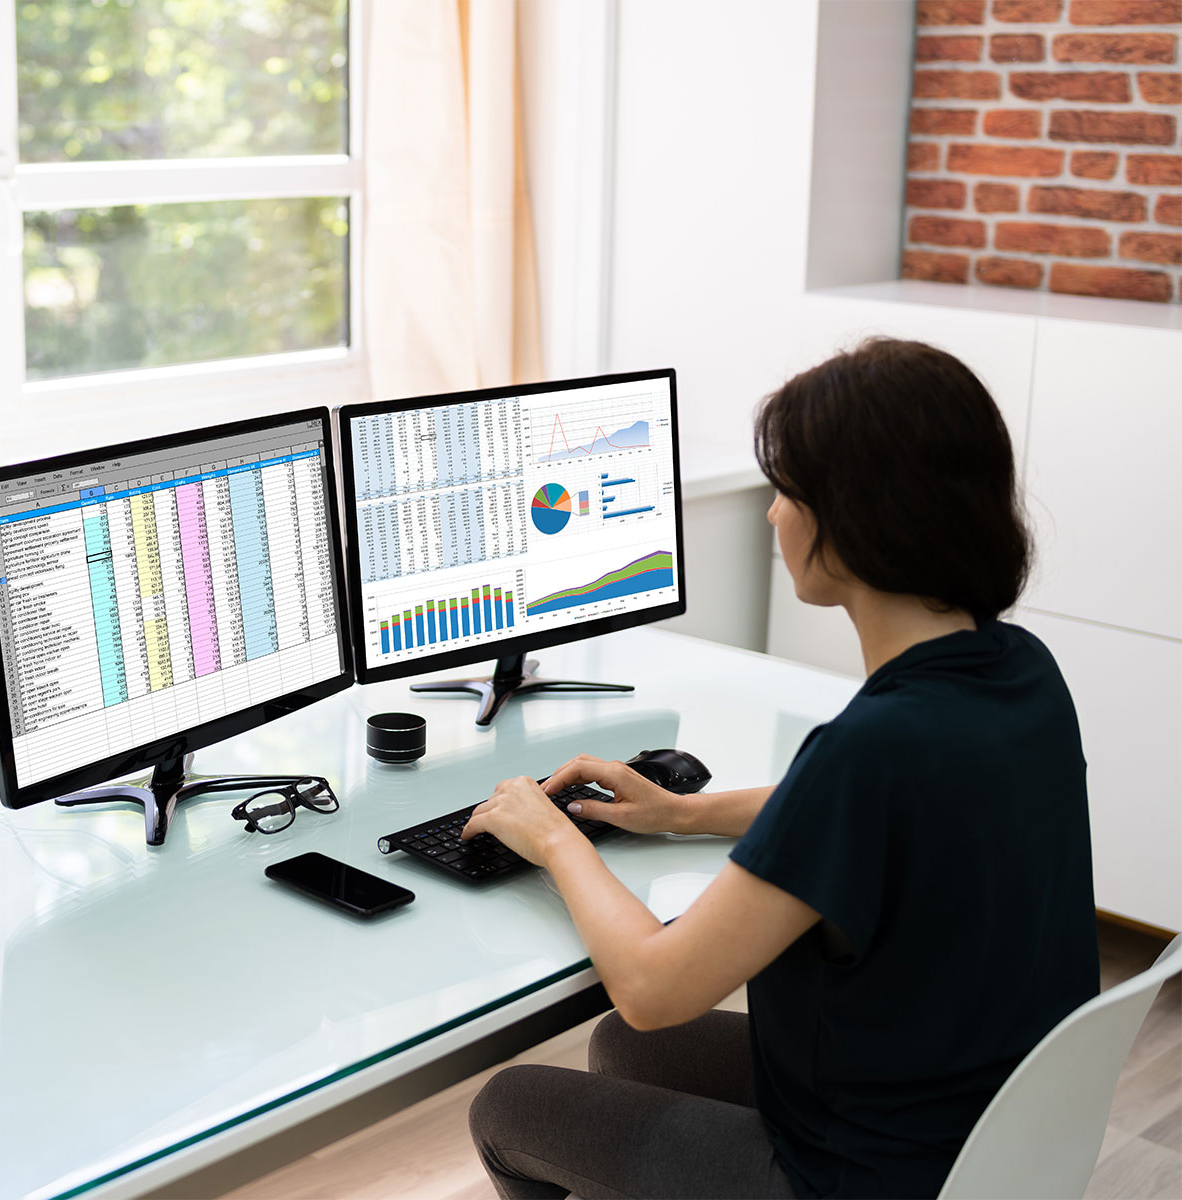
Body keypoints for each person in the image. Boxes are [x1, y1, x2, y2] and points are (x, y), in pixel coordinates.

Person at [463, 338, 1100, 1200]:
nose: (772, 516)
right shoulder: (1020, 672)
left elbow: (655, 984)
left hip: (856, 1177)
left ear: (859, 518)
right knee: (626, 1049)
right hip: (974, 1132)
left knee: (511, 1104)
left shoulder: (870, 752)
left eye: (789, 492)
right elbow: (882, 813)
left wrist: (553, 840)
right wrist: (681, 813)